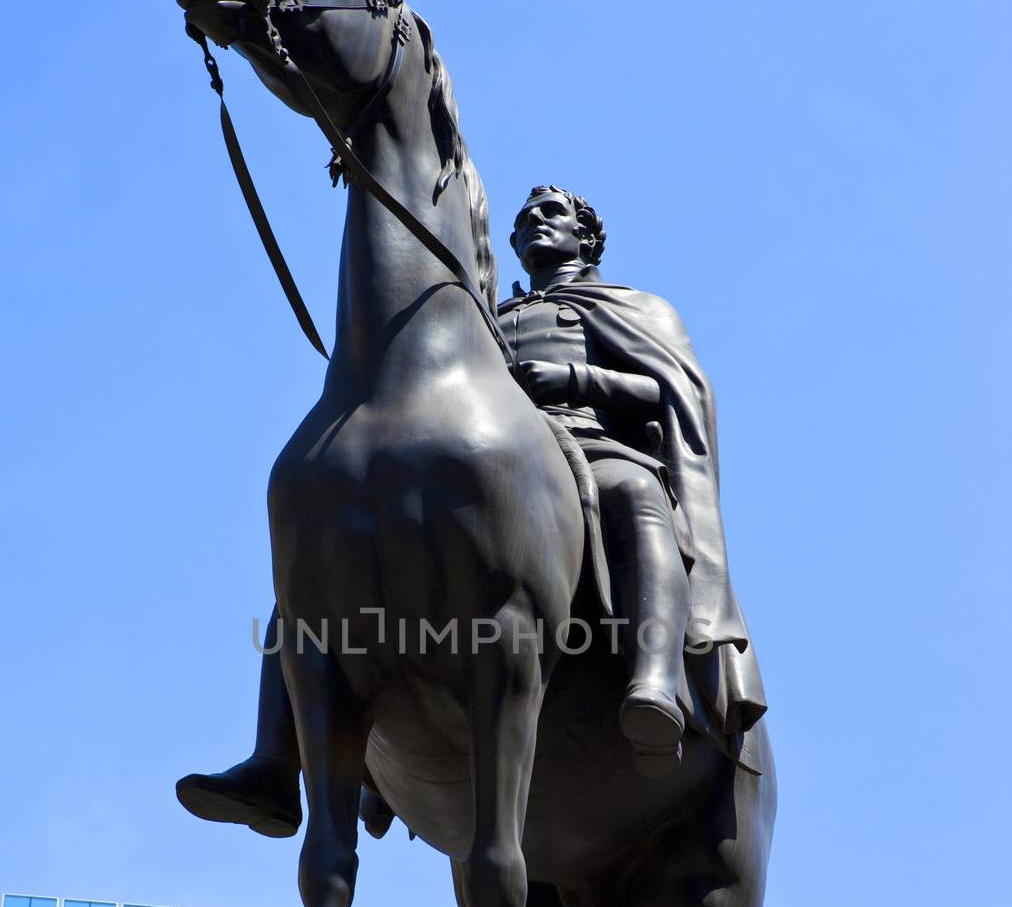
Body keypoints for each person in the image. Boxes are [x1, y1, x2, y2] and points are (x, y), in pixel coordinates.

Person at [176, 186, 766, 832]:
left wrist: (576, 381)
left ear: (586, 237)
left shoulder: (632, 308)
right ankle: (274, 763)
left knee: (637, 495)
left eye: (551, 213)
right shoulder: (485, 314)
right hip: (483, 466)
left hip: (586, 448)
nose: (533, 223)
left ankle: (652, 679)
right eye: (522, 220)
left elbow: (670, 388)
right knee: (327, 553)